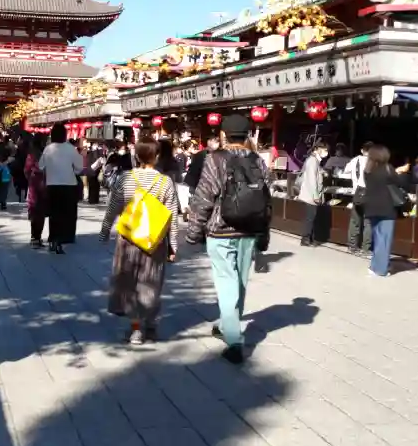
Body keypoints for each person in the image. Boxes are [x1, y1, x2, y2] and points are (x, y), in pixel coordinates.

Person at [187, 114, 270, 364]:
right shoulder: (258, 160)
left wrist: (194, 231)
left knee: (226, 281)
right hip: (249, 230)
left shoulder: (215, 159)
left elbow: (204, 197)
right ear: (247, 135)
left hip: (220, 229)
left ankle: (233, 340)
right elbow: (267, 201)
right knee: (240, 281)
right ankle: (226, 324)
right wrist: (264, 234)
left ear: (223, 134)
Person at [100, 136, 177, 345]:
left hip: (128, 239)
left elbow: (112, 208)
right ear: (157, 156)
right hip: (154, 241)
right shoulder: (165, 182)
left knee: (129, 283)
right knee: (152, 281)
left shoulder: (125, 178)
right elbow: (172, 216)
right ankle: (151, 324)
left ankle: (135, 330)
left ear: (137, 156)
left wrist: (105, 231)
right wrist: (173, 245)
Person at [39, 122, 84, 253]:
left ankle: (53, 238)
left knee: (54, 213)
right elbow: (79, 168)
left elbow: (41, 166)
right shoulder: (71, 149)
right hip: (69, 185)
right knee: (67, 214)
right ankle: (64, 239)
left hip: (52, 185)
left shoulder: (48, 149)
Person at [364, 144, 405, 278]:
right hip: (386, 208)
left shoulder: (368, 169)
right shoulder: (388, 168)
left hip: (371, 207)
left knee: (378, 238)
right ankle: (381, 270)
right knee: (385, 239)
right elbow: (399, 183)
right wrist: (398, 171)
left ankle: (374, 266)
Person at [344, 141, 373, 257]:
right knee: (368, 223)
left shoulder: (355, 160)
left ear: (362, 150)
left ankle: (352, 247)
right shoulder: (374, 162)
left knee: (355, 221)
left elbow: (346, 170)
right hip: (369, 195)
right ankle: (365, 249)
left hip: (356, 194)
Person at [298, 140, 329, 246]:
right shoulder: (313, 161)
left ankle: (309, 238)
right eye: (324, 150)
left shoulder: (315, 161)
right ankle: (305, 239)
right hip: (310, 195)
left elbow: (316, 172)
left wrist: (323, 172)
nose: (326, 152)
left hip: (311, 194)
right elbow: (312, 179)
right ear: (317, 149)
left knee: (311, 216)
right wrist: (315, 195)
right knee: (310, 217)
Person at [25, 134, 47, 247]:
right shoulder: (46, 154)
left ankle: (34, 237)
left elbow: (26, 170)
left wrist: (30, 179)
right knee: (41, 212)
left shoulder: (31, 155)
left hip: (34, 185)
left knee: (34, 210)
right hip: (45, 185)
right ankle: (38, 237)